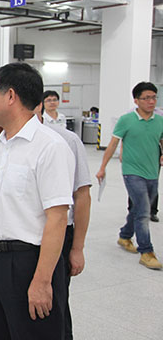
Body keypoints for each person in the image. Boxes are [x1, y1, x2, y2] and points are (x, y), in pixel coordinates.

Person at [0, 62, 74, 339]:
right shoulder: (3, 144)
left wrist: (42, 281)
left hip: (29, 263)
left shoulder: (50, 147)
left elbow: (57, 218)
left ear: (10, 96)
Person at [36, 102, 91, 340]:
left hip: (58, 236)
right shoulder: (7, 141)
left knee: (56, 304)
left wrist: (77, 248)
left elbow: (82, 195)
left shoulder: (65, 141)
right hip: (23, 243)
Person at [96, 81, 163, 270]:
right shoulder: (126, 120)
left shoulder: (159, 120)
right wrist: (102, 167)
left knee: (139, 208)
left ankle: (125, 236)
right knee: (144, 211)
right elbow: (113, 144)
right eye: (146, 98)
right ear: (136, 100)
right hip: (132, 172)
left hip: (152, 171)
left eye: (154, 97)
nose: (151, 101)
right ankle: (146, 252)